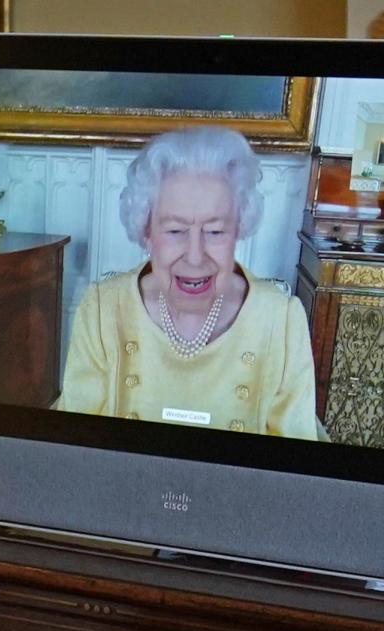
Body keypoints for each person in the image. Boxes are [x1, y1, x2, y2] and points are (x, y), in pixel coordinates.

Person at [58, 126, 318, 440]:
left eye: (216, 231)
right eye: (175, 231)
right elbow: (76, 445)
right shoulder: (103, 310)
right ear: (146, 231)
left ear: (238, 230)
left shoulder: (281, 319)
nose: (195, 257)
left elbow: (293, 467)